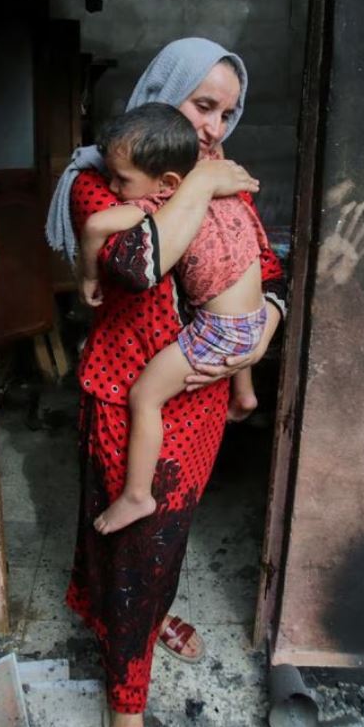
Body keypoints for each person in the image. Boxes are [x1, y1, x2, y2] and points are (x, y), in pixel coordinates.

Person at [45, 37, 286, 727]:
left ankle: (138, 623)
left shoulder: (217, 181)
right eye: (199, 104)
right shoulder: (99, 181)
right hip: (127, 392)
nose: (214, 125)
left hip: (202, 395)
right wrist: (204, 182)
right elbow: (135, 262)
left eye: (226, 112)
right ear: (158, 93)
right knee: (134, 543)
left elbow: (266, 273)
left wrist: (265, 323)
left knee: (162, 541)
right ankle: (125, 709)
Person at [77, 102, 269, 535]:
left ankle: (137, 496)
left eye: (121, 179)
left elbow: (96, 227)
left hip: (222, 331)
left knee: (145, 396)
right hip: (252, 320)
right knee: (217, 306)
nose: (111, 185)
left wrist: (88, 274)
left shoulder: (163, 200)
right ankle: (246, 393)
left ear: (167, 181)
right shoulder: (222, 181)